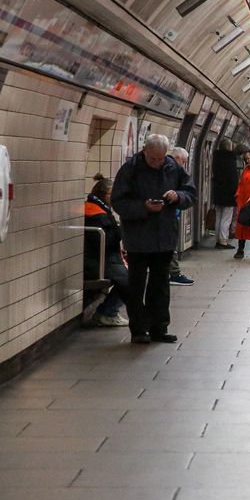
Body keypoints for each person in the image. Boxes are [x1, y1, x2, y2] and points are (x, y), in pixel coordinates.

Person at [111, 134, 197, 344]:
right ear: (144, 151)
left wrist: (178, 196)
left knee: (160, 285)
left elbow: (190, 193)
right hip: (138, 238)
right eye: (153, 159)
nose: (158, 163)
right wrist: (144, 207)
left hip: (165, 236)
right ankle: (139, 330)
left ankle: (159, 327)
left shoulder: (173, 167)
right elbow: (118, 202)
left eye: (161, 158)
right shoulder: (130, 169)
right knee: (137, 285)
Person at [84, 174, 129, 327]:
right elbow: (107, 241)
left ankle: (108, 311)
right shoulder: (97, 214)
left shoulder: (96, 209)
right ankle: (107, 312)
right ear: (105, 195)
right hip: (98, 260)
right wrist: (121, 231)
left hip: (102, 257)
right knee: (130, 280)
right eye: (113, 194)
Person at [167, 146, 195, 286]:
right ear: (177, 158)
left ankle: (172, 273)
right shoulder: (171, 172)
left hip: (171, 215)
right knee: (170, 245)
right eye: (183, 161)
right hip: (168, 217)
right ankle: (174, 274)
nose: (183, 165)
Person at [212, 137, 239, 249]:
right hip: (228, 193)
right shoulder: (230, 159)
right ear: (229, 147)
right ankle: (223, 240)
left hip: (218, 191)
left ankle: (217, 239)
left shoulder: (215, 157)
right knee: (226, 217)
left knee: (218, 216)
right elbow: (233, 178)